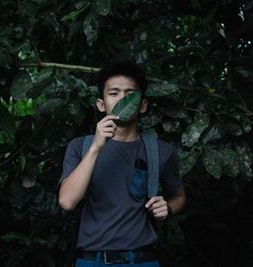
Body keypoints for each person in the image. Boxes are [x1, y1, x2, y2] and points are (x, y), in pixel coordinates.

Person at [58, 61, 186, 267]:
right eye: (114, 93)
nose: (122, 100)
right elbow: (67, 202)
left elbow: (179, 196)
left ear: (142, 105)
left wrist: (167, 208)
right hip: (92, 260)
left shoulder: (161, 151)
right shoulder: (80, 147)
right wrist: (95, 148)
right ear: (101, 104)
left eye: (130, 94)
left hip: (143, 260)